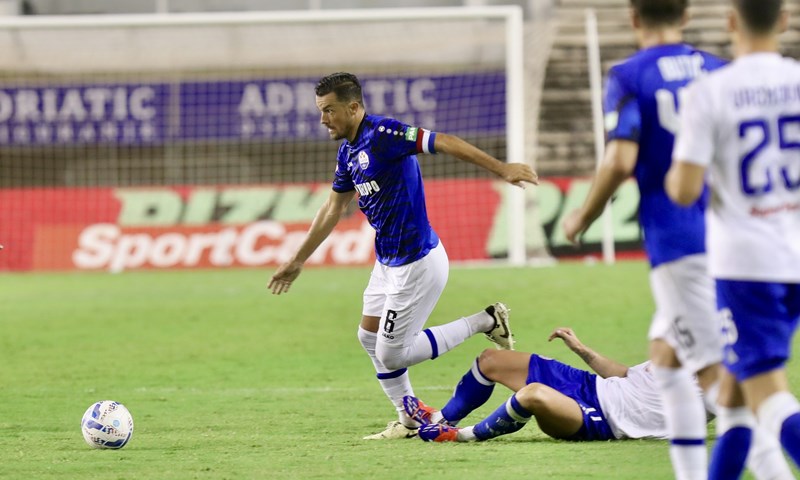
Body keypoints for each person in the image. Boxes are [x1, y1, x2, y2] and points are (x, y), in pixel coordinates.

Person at [268, 72, 539, 439]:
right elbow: (333, 208)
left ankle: (486, 321)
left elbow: (443, 141)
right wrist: (298, 259)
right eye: (320, 111)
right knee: (368, 339)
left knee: (393, 354)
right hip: (387, 262)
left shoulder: (384, 135)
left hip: (417, 263)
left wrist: (502, 168)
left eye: (329, 110)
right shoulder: (348, 152)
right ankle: (409, 417)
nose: (323, 119)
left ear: (353, 107)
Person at [562, 1, 728, 478]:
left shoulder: (630, 75)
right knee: (666, 355)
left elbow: (618, 160)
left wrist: (584, 217)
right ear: (688, 14)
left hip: (680, 243)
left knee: (732, 387)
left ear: (634, 17)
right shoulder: (717, 71)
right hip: (731, 238)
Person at [666, 0, 800, 476]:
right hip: (793, 258)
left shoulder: (712, 91)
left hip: (745, 266)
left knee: (769, 397)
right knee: (736, 399)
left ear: (730, 22)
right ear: (784, 20)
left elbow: (683, 190)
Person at [402, 328, 793, 480]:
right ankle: (435, 419)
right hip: (590, 386)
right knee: (490, 361)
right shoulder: (688, 345)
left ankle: (459, 436)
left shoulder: (725, 380)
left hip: (598, 419)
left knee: (532, 396)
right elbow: (625, 375)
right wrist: (582, 349)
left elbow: (745, 411)